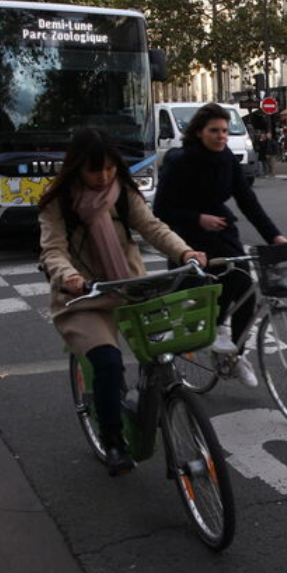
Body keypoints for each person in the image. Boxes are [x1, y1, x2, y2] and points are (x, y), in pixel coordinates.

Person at [39, 128, 206, 475]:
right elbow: (53, 249)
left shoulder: (123, 194)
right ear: (77, 169)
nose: (103, 177)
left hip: (131, 289)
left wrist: (185, 250)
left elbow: (153, 228)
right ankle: (113, 440)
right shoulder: (59, 202)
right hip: (84, 298)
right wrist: (70, 278)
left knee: (161, 357)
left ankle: (153, 410)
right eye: (93, 170)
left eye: (110, 168)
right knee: (109, 364)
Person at [153, 103, 287, 387]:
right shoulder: (180, 160)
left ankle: (234, 357)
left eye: (225, 131)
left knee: (245, 290)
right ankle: (179, 349)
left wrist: (274, 236)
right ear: (200, 132)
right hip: (187, 238)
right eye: (214, 131)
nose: (221, 136)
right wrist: (197, 218)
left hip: (222, 233)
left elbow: (247, 201)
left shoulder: (226, 158)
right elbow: (161, 210)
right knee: (204, 295)